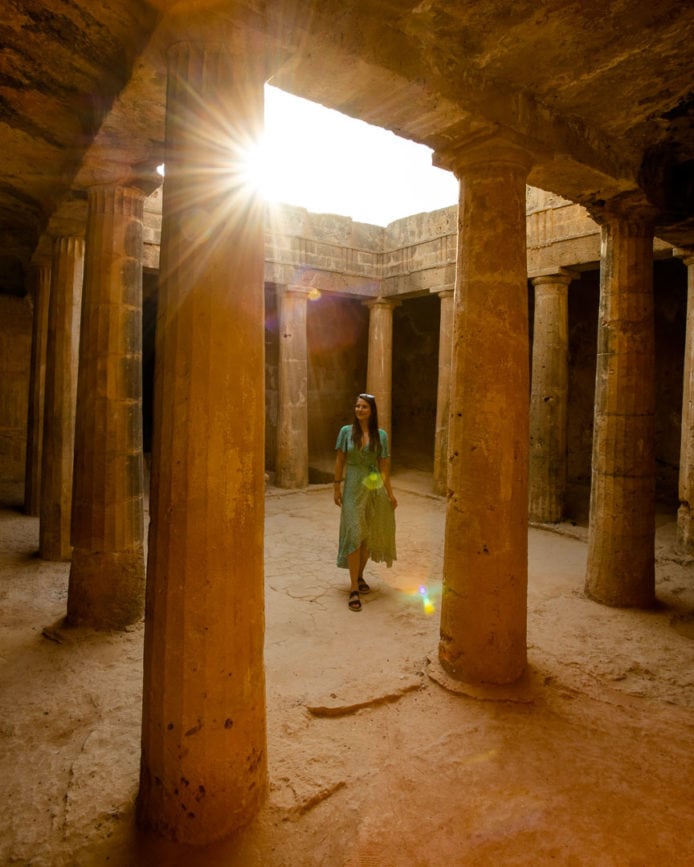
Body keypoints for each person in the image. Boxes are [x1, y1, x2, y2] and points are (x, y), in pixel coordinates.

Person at [333, 393, 397, 611]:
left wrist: (389, 493)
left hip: (374, 488)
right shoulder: (345, 432)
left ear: (372, 411)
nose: (359, 410)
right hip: (352, 488)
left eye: (364, 407)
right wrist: (336, 486)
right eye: (357, 406)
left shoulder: (381, 436)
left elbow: (384, 467)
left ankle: (359, 576)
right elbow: (340, 460)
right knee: (354, 531)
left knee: (367, 536)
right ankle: (353, 588)